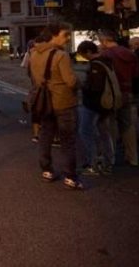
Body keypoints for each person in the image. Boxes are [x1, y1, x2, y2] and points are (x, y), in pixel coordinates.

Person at [28, 22, 81, 190]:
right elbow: (70, 81)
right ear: (54, 35)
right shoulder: (61, 55)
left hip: (44, 102)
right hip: (63, 102)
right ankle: (70, 176)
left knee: (46, 136)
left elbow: (33, 78)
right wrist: (80, 81)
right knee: (68, 140)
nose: (67, 38)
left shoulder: (33, 53)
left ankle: (47, 170)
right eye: (65, 35)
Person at [98, 29, 139, 167]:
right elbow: (136, 74)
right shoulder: (130, 54)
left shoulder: (105, 55)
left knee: (110, 125)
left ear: (104, 41)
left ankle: (111, 157)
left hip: (111, 93)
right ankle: (132, 157)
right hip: (127, 91)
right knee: (127, 124)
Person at [76, 41, 115, 176]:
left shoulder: (96, 65)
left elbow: (96, 88)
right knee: (104, 133)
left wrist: (83, 86)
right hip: (106, 104)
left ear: (88, 52)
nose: (83, 57)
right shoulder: (107, 62)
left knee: (85, 132)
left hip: (94, 104)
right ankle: (108, 163)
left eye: (83, 54)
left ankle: (92, 164)